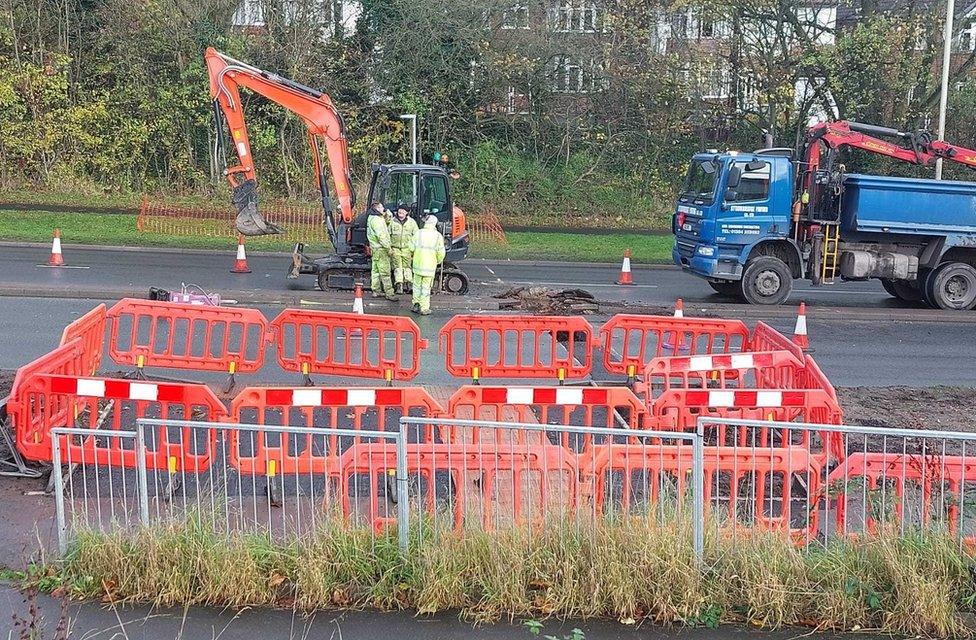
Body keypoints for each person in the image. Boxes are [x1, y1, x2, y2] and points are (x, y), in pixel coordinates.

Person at [410, 215, 446, 315]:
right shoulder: (438, 236)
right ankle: (424, 308)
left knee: (417, 286)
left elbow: (411, 247)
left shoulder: (419, 233)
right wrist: (437, 261)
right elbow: (441, 253)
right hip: (429, 267)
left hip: (417, 265)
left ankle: (415, 304)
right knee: (425, 288)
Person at [366, 202, 396, 301]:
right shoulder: (377, 221)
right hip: (381, 249)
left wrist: (388, 216)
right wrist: (389, 249)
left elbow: (386, 224)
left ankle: (376, 291)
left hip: (375, 249)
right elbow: (382, 236)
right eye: (382, 207)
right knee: (385, 273)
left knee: (375, 272)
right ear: (377, 208)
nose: (384, 208)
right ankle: (389, 293)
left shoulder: (373, 218)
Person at [389, 205, 419, 294]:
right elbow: (388, 235)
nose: (400, 213)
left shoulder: (412, 223)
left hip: (407, 249)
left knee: (407, 267)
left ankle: (409, 284)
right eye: (399, 211)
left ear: (407, 212)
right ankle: (399, 285)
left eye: (402, 211)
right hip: (395, 249)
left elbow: (416, 236)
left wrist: (414, 249)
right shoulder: (392, 222)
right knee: (397, 267)